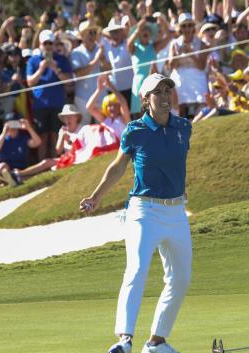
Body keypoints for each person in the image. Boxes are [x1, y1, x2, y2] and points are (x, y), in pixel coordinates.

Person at [80, 73, 192, 353]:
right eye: (158, 92)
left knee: (180, 278)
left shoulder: (183, 127)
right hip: (144, 210)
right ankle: (124, 340)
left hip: (176, 211)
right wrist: (96, 197)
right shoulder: (135, 130)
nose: (165, 97)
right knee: (138, 268)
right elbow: (117, 167)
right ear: (145, 99)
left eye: (168, 91)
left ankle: (156, 342)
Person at [27, 29, 73, 160]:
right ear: (40, 45)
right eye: (45, 43)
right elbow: (30, 82)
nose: (47, 46)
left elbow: (69, 82)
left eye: (50, 43)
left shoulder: (61, 60)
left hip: (57, 103)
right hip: (40, 105)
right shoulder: (33, 61)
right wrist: (41, 68)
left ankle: (55, 163)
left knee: (55, 134)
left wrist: (56, 69)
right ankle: (43, 164)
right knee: (42, 136)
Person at [0, 113, 40, 195]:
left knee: (10, 171)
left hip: (20, 170)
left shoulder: (23, 138)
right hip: (5, 170)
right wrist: (4, 133)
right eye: (10, 123)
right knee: (2, 167)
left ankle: (10, 181)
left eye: (15, 123)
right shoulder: (3, 139)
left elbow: (37, 143)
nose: (13, 126)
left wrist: (28, 128)